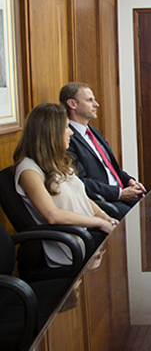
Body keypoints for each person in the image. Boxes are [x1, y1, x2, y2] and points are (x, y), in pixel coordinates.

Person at [14, 103, 117, 267]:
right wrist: (99, 223)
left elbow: (80, 196)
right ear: (51, 133)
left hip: (87, 231)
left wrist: (105, 217)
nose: (70, 132)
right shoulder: (28, 170)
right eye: (66, 127)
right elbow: (52, 215)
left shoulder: (57, 162)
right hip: (70, 244)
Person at [60, 82, 146, 218]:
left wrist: (129, 181)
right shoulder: (66, 139)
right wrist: (119, 193)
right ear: (72, 104)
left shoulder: (93, 131)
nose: (96, 104)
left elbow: (110, 167)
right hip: (104, 202)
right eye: (89, 100)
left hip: (122, 195)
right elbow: (80, 182)